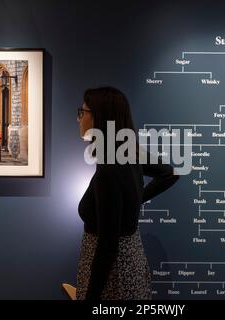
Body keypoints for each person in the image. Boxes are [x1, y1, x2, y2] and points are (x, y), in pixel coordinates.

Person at [76, 87, 179, 300]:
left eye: (82, 112)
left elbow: (107, 247)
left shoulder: (110, 168)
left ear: (100, 118)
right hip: (129, 263)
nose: (78, 119)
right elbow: (169, 173)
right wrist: (131, 202)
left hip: (114, 276)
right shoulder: (127, 152)